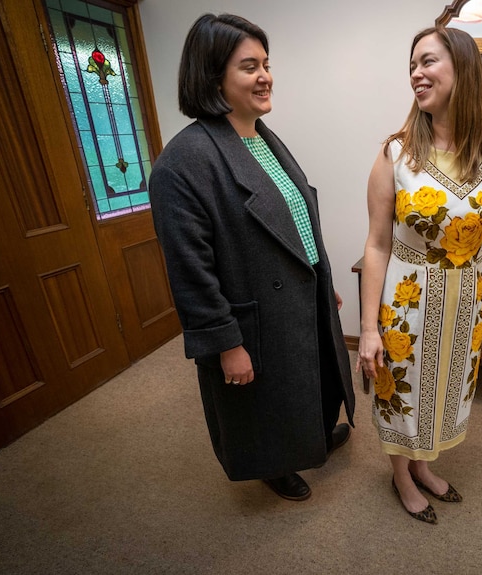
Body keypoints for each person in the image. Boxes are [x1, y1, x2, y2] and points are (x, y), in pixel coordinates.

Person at [149, 13, 354, 502]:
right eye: (249, 67)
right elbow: (189, 270)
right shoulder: (182, 164)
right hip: (252, 314)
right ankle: (275, 464)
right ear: (212, 76)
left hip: (299, 292)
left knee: (314, 377)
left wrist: (321, 279)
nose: (265, 76)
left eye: (266, 64)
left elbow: (294, 218)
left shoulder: (262, 136)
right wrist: (225, 343)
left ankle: (316, 437)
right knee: (266, 402)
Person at [358, 26, 482, 524]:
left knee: (446, 387)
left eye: (427, 62)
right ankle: (401, 475)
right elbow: (377, 243)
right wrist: (366, 329)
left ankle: (425, 466)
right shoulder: (396, 154)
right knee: (401, 389)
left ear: (463, 68)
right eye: (412, 66)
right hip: (410, 296)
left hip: (467, 299)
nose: (416, 74)